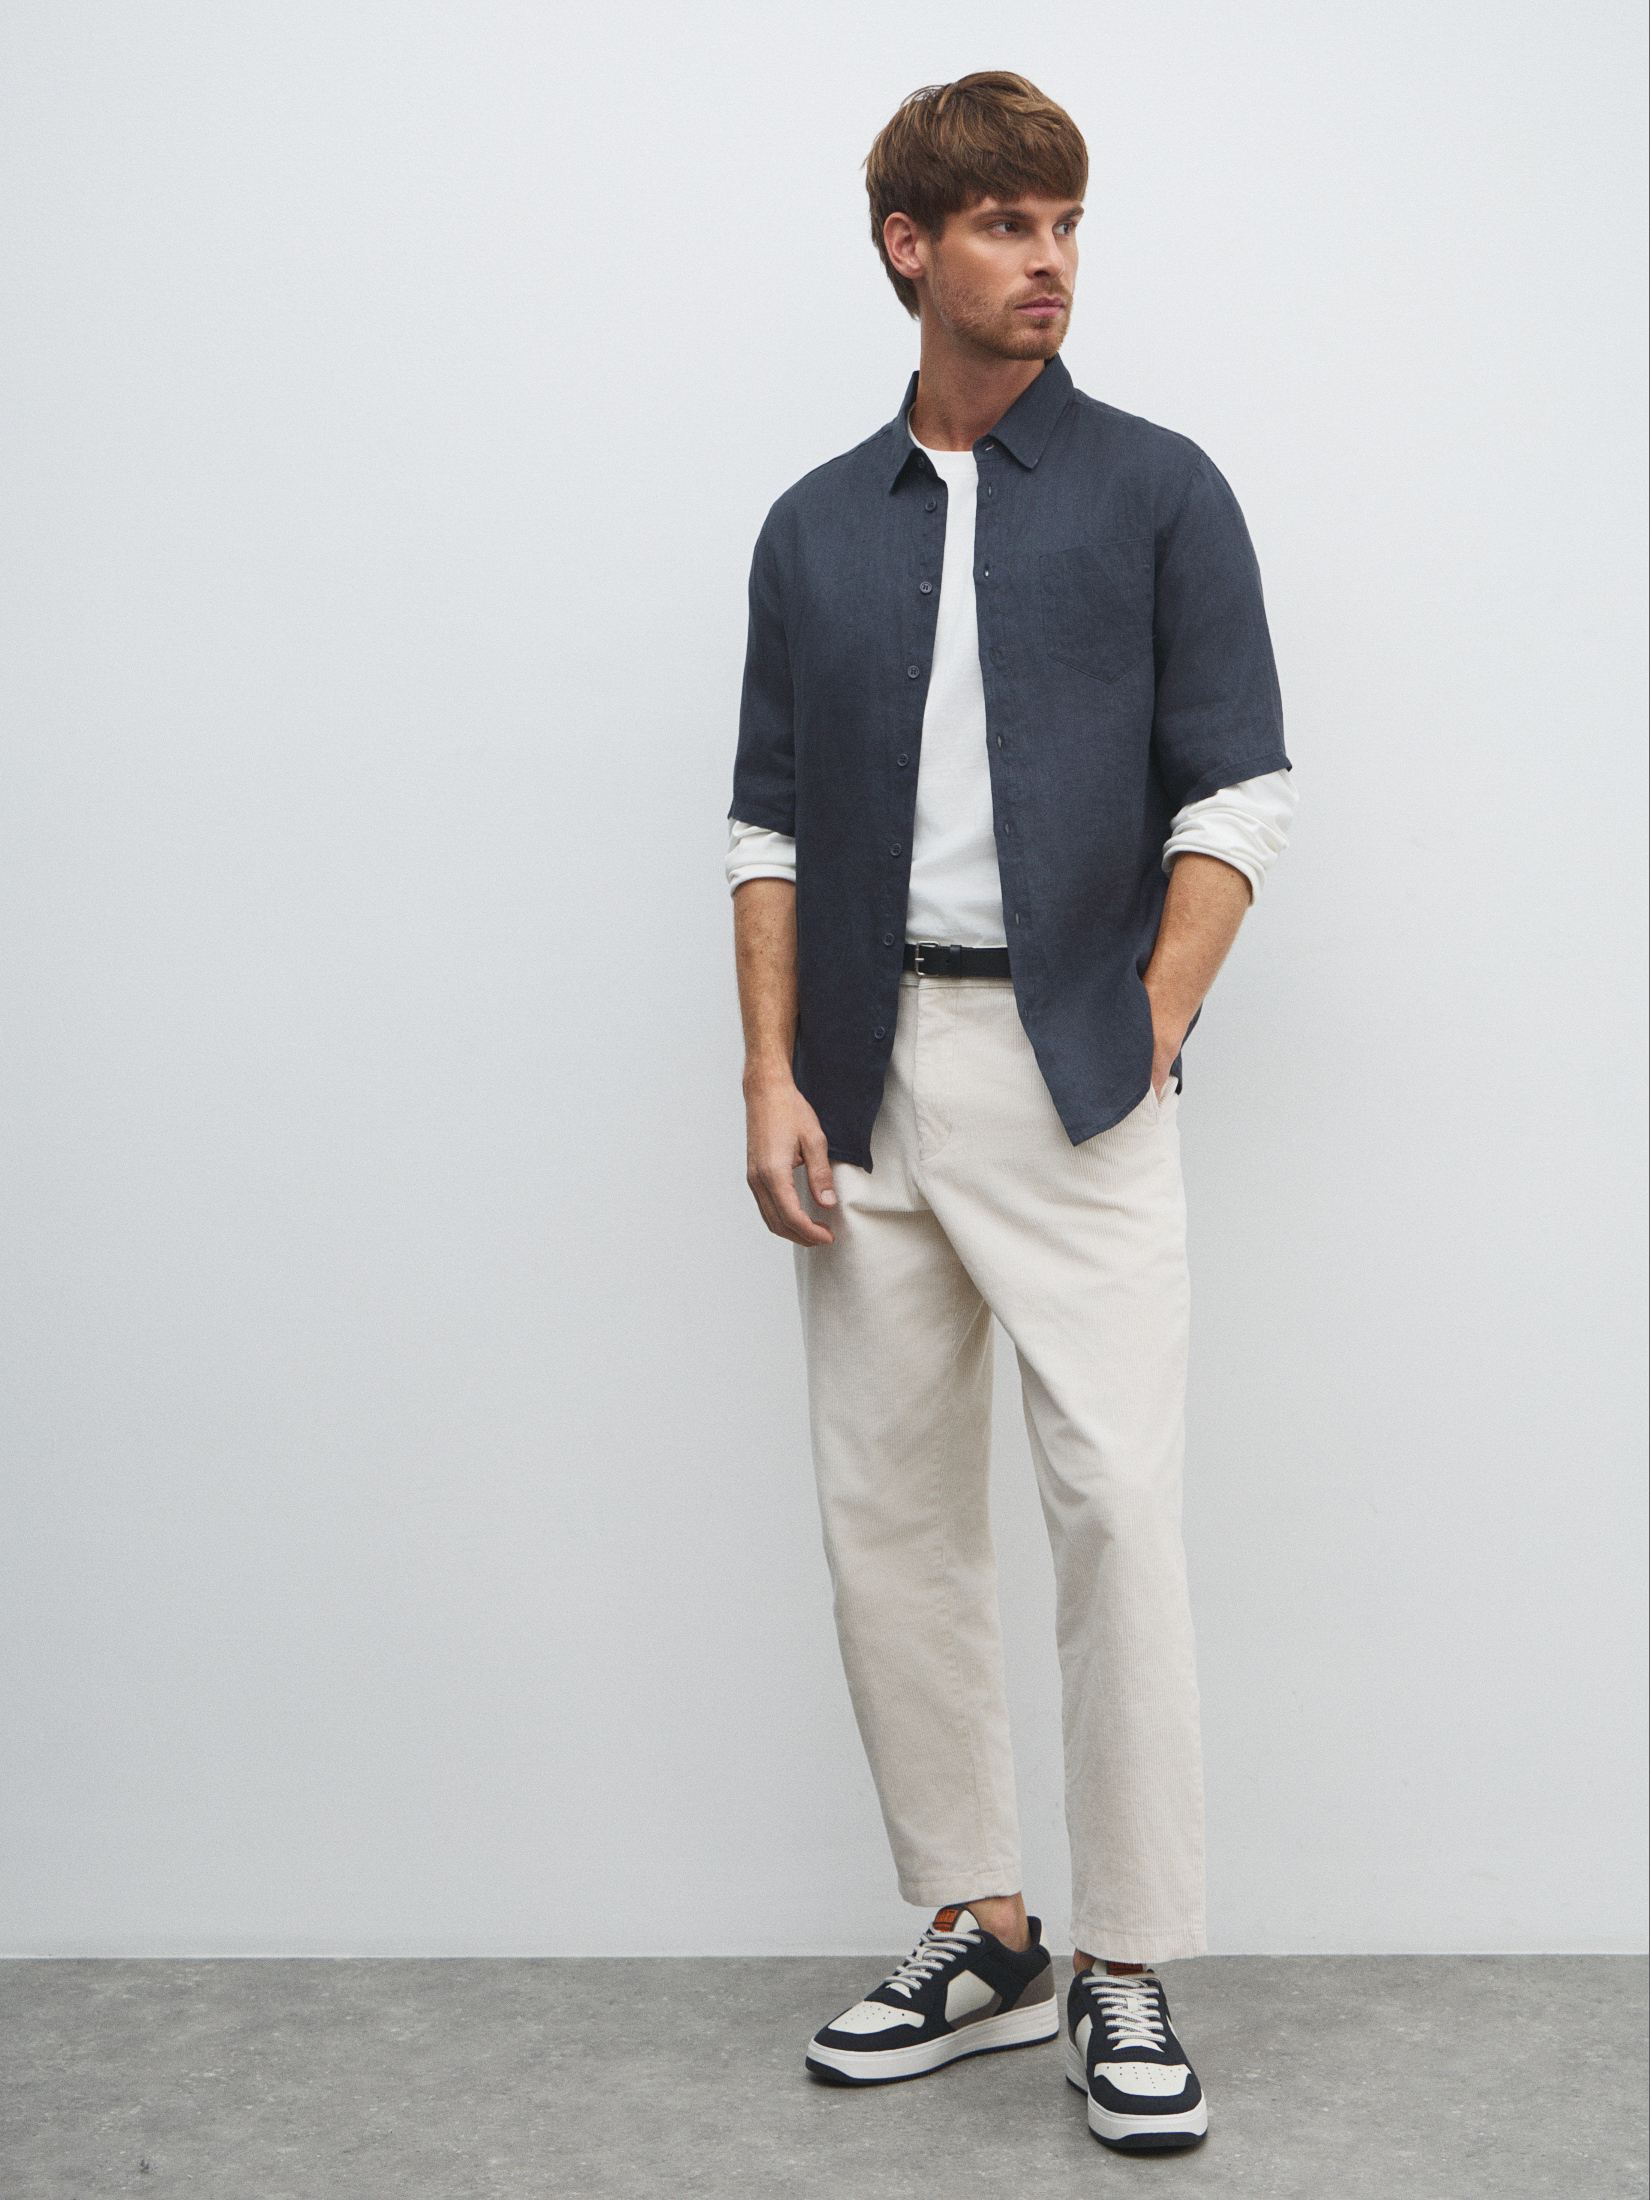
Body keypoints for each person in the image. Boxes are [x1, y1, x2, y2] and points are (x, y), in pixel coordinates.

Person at [726, 71, 1294, 2154]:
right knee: (890, 1517)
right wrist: (773, 1070)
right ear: (911, 247)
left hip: (1075, 1071)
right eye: (1003, 225)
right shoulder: (813, 525)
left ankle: (1126, 1956)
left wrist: (1146, 1018)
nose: (1048, 261)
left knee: (1115, 1507)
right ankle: (983, 1930)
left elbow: (1239, 791)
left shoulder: (1158, 491)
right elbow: (767, 822)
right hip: (864, 1074)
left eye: (1063, 224)